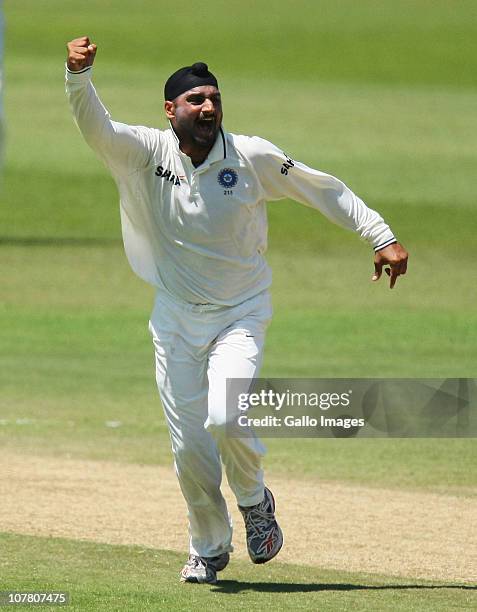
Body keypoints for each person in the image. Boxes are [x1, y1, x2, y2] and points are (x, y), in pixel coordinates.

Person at [65, 36, 408, 585]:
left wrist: (380, 234)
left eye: (214, 98)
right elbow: (96, 129)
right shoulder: (145, 152)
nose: (207, 108)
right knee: (190, 450)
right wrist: (77, 77)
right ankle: (208, 547)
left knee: (226, 416)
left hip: (240, 313)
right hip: (175, 317)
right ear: (170, 110)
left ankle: (254, 501)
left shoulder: (252, 156)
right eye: (195, 99)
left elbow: (324, 190)